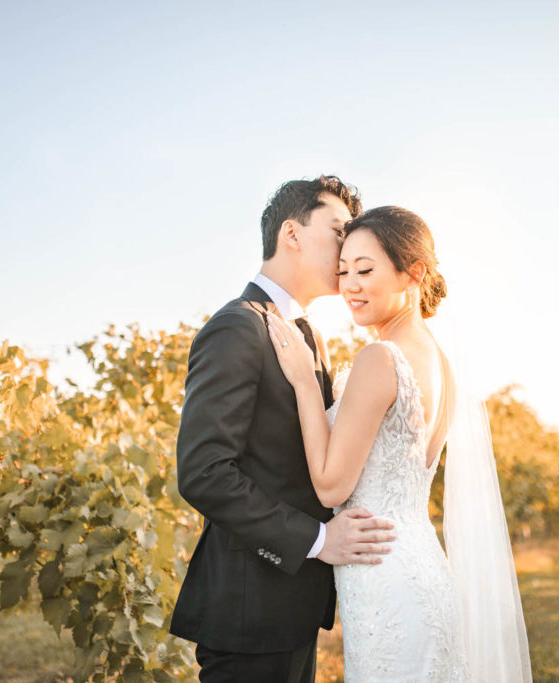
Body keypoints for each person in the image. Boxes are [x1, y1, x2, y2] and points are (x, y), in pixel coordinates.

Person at [266, 206, 533, 681]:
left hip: (385, 580)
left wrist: (306, 384)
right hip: (422, 568)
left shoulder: (380, 358)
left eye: (365, 270)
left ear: (414, 273)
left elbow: (330, 487)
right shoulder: (442, 365)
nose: (349, 285)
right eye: (343, 270)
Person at [169, 176, 398, 683]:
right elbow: (204, 472)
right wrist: (317, 540)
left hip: (291, 608)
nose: (348, 247)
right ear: (291, 234)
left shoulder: (308, 335)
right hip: (248, 613)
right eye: (339, 231)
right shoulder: (239, 327)